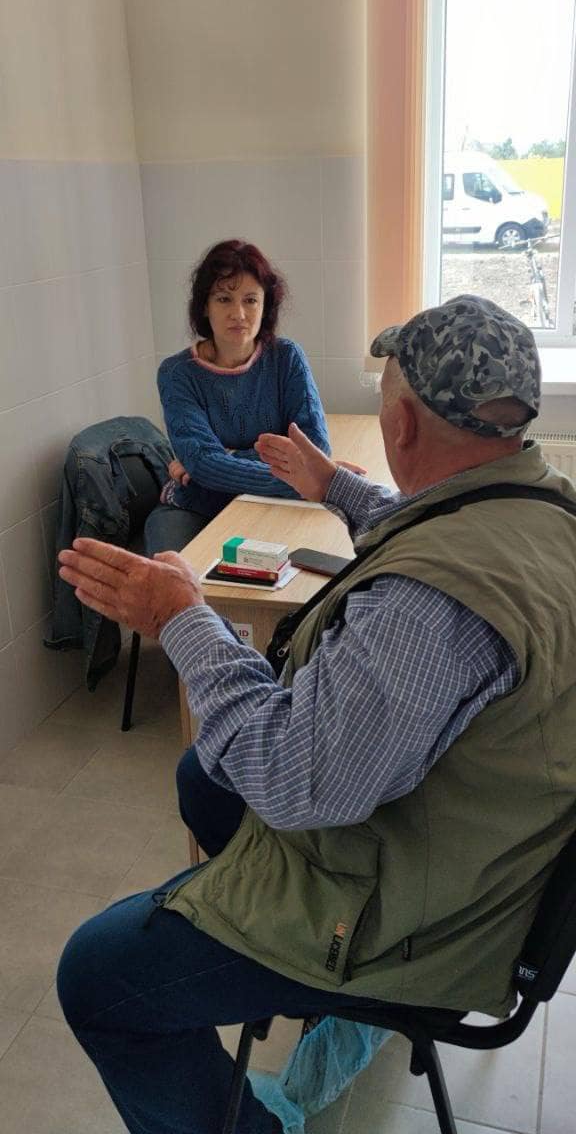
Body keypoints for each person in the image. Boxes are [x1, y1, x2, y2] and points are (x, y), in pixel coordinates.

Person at [56, 295, 576, 1134]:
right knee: (204, 776)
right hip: (476, 852)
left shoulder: (427, 608)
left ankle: (320, 991)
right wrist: (334, 486)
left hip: (422, 915)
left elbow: (293, 780)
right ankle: (291, 967)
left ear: (401, 424)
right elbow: (438, 523)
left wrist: (183, 617)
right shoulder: (542, 507)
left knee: (95, 977)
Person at [145, 238, 331, 554]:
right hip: (196, 505)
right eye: (224, 299)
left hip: (272, 504)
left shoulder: (287, 358)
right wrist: (303, 480)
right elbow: (204, 465)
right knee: (172, 573)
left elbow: (314, 448)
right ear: (205, 306)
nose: (239, 314)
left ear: (265, 305)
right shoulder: (177, 373)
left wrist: (226, 458)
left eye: (250, 300)